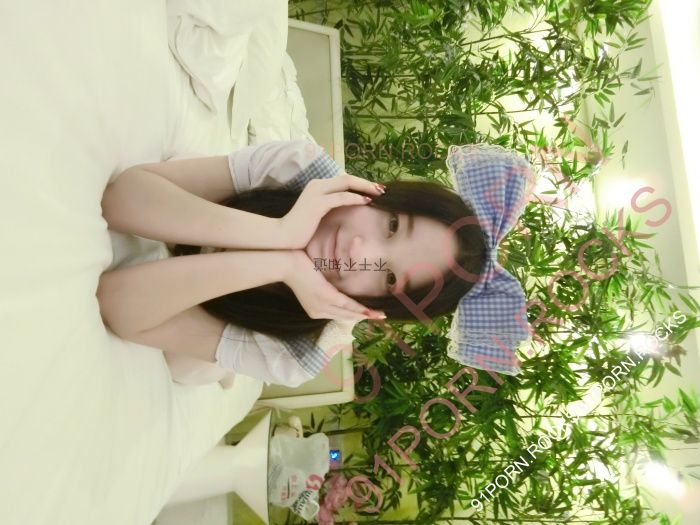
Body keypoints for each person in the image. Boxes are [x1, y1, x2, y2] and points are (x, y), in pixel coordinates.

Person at [97, 139, 531, 390]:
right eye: (392, 226)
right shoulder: (300, 170)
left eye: (388, 276)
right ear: (379, 193)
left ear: (376, 308)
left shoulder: (298, 353)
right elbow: (119, 201)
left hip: (197, 335)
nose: (360, 251)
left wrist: (283, 265)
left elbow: (115, 303)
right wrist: (279, 232)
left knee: (195, 370)